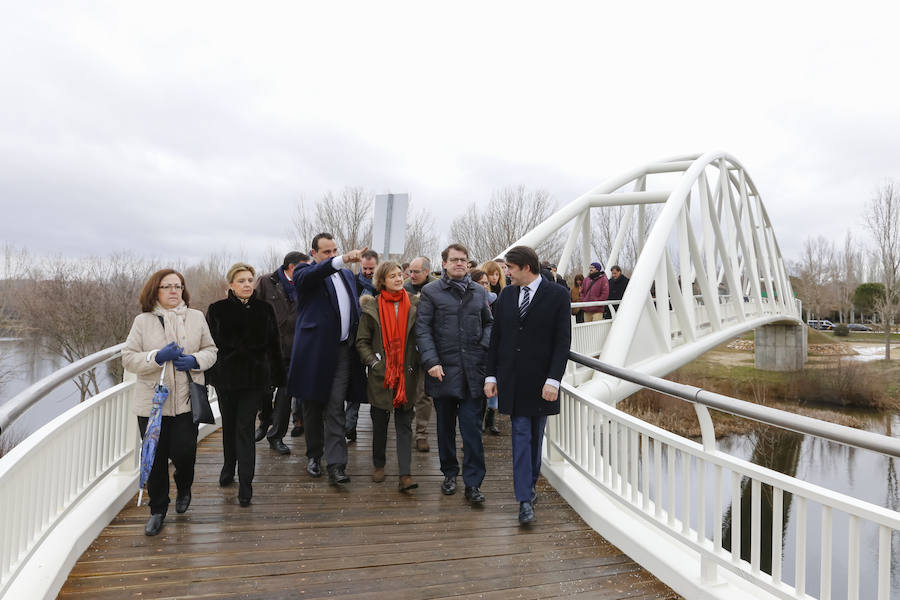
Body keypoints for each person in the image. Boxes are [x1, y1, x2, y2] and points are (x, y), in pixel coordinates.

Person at [122, 269, 217, 536]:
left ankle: (184, 485)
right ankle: (157, 510)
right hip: (152, 406)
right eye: (167, 287)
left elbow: (212, 351)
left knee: (185, 453)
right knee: (155, 458)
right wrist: (156, 356)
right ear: (156, 290)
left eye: (178, 286)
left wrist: (196, 360)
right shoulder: (143, 321)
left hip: (187, 403)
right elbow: (128, 358)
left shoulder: (196, 317)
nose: (174, 291)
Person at [484, 246, 571, 525]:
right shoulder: (507, 295)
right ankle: (524, 500)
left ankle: (530, 484)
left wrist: (554, 380)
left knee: (536, 436)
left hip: (542, 381)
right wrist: (491, 376)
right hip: (512, 380)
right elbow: (496, 339)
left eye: (509, 268)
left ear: (526, 268)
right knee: (521, 435)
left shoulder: (557, 295)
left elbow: (562, 342)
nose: (505, 273)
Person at [287, 233, 368, 486]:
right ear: (314, 254)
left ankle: (336, 465)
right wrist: (341, 259)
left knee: (335, 407)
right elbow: (309, 277)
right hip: (315, 352)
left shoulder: (346, 275)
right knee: (312, 405)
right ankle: (314, 455)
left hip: (343, 350)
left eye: (335, 251)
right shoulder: (304, 272)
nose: (332, 255)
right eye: (326, 252)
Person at [416, 243, 492, 505]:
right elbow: (423, 329)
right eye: (455, 260)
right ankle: (449, 473)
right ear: (444, 263)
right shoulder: (431, 292)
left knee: (472, 429)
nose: (460, 263)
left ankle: (473, 483)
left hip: (473, 370)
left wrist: (483, 348)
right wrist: (431, 361)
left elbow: (489, 323)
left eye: (464, 260)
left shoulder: (479, 292)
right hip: (443, 371)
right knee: (445, 427)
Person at [206, 263, 284, 507]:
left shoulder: (265, 309)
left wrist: (277, 378)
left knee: (245, 429)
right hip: (226, 380)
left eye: (250, 280)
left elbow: (275, 346)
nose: (247, 284)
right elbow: (209, 347)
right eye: (241, 281)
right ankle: (229, 466)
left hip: (254, 380)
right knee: (229, 426)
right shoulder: (217, 310)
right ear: (230, 284)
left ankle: (246, 483)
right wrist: (209, 377)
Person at [356, 261, 421, 492]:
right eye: (391, 276)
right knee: (380, 424)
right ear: (381, 281)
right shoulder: (372, 307)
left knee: (404, 426)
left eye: (399, 275)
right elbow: (361, 341)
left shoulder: (415, 303)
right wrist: (374, 363)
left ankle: (405, 474)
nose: (397, 278)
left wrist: (418, 360)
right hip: (381, 377)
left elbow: (422, 336)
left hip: (407, 376)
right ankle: (379, 464)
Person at [254, 252, 305, 454]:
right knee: (264, 392)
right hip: (268, 348)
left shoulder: (304, 284)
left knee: (285, 397)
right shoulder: (267, 281)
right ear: (291, 267)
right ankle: (264, 420)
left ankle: (276, 436)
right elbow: (254, 308)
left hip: (294, 350)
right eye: (303, 267)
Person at [403, 256, 437, 452]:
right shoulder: (403, 287)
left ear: (427, 272)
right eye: (410, 271)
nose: (412, 275)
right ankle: (405, 428)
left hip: (427, 347)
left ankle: (422, 433)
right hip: (407, 347)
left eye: (416, 272)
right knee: (407, 391)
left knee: (424, 393)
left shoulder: (437, 289)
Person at [347, 249, 379, 443]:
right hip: (356, 337)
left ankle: (378, 423)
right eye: (365, 268)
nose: (368, 272)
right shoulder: (352, 283)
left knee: (376, 382)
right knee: (356, 381)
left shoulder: (382, 285)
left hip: (377, 340)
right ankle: (350, 424)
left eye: (371, 268)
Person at [472, 269, 500, 435]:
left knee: (494, 383)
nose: (484, 286)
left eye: (486, 283)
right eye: (480, 283)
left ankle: (491, 418)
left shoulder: (495, 300)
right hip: (477, 349)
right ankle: (478, 421)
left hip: (493, 346)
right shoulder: (469, 300)